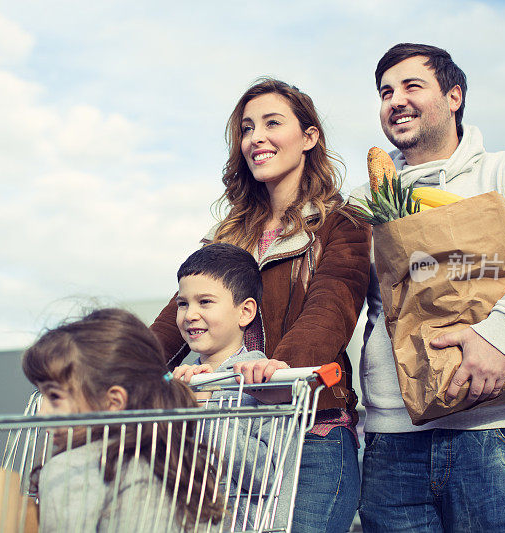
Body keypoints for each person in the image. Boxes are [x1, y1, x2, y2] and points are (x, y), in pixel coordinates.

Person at [356, 43, 505, 532]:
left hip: (497, 433)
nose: (395, 100)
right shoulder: (363, 201)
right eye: (385, 92)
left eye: (411, 86)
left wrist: (503, 331)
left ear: (454, 96)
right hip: (391, 440)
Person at [151, 78, 370, 532]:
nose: (256, 138)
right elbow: (174, 321)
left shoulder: (339, 224)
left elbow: (330, 309)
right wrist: (113, 374)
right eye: (247, 128)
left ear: (309, 138)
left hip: (311, 430)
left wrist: (277, 373)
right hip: (233, 432)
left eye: (273, 123)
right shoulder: (229, 235)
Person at [22, 308, 224, 532]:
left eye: (55, 396)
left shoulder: (70, 470)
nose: (43, 413)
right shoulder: (177, 464)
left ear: (114, 401)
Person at [170, 242, 298, 530]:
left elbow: (264, 475)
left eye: (205, 302)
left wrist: (204, 408)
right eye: (182, 303)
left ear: (245, 312)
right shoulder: (181, 381)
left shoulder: (264, 381)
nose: (189, 314)